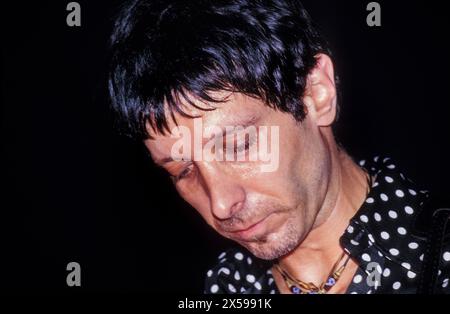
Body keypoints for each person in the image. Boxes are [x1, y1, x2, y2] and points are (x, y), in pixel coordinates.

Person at [108, 0, 450, 294]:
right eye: (182, 170)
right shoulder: (226, 287)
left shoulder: (438, 258)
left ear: (317, 93)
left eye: (238, 145)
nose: (221, 204)